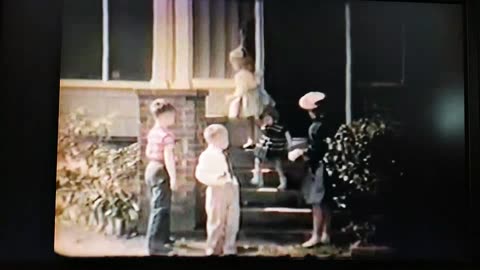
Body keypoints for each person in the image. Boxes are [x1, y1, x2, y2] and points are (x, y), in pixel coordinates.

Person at [288, 91, 332, 248]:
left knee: (317, 202)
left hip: (319, 167)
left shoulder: (315, 128)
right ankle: (326, 233)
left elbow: (316, 150)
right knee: (326, 202)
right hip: (329, 165)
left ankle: (316, 236)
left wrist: (301, 153)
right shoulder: (329, 123)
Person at [195, 124, 240, 256]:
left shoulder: (223, 154)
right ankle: (213, 248)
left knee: (232, 219)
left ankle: (229, 247)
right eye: (225, 138)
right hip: (217, 189)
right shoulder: (207, 156)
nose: (227, 141)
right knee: (216, 221)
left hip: (230, 187)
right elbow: (200, 174)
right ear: (216, 139)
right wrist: (215, 179)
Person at [144, 98, 177, 255]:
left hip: (151, 168)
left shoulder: (152, 132)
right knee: (160, 208)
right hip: (161, 169)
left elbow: (147, 152)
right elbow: (168, 157)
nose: (173, 120)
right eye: (171, 116)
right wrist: (174, 177)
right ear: (163, 116)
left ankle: (164, 238)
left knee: (160, 205)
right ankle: (154, 244)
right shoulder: (167, 135)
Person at [251, 107, 292, 190]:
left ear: (274, 118)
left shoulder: (281, 128)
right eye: (265, 119)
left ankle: (283, 181)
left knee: (278, 166)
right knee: (258, 161)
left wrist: (289, 146)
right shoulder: (266, 127)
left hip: (276, 150)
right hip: (266, 150)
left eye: (268, 119)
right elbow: (262, 133)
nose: (266, 121)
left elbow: (288, 137)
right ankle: (258, 179)